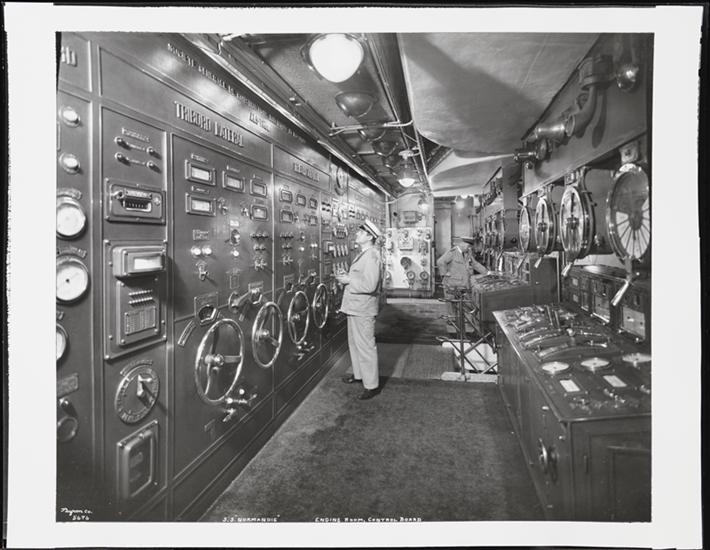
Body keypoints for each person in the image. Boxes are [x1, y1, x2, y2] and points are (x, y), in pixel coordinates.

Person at [335, 219, 383, 400]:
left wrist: (348, 280)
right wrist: (347, 277)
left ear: (369, 237)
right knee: (354, 344)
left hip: (363, 309)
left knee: (366, 346)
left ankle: (372, 385)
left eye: (361, 232)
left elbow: (370, 285)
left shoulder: (372, 256)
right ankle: (359, 375)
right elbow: (361, 278)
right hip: (355, 307)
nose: (357, 234)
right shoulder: (363, 254)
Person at [436, 236, 474, 330]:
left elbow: (475, 264)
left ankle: (464, 323)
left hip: (461, 284)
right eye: (468, 246)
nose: (469, 248)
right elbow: (440, 262)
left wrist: (487, 272)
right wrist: (445, 273)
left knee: (463, 304)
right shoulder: (452, 252)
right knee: (450, 303)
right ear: (462, 244)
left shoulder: (467, 253)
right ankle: (452, 324)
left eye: (470, 247)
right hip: (450, 283)